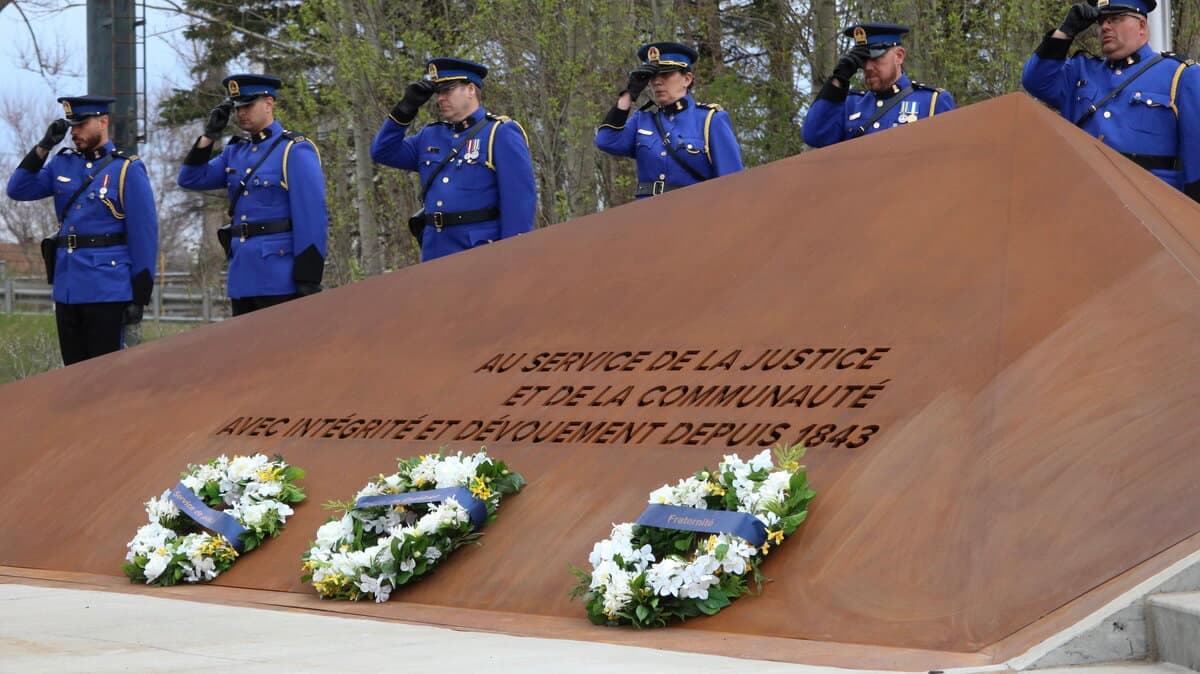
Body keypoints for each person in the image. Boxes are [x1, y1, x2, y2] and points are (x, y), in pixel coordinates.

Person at [6, 95, 157, 365]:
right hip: (68, 285)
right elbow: (18, 189)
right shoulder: (62, 164)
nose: (74, 131)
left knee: (105, 375)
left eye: (81, 124)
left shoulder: (126, 169)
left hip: (108, 287)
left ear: (103, 121)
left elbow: (144, 235)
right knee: (73, 375)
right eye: (71, 125)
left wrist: (140, 296)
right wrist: (44, 146)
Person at [178, 74, 328, 316]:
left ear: (269, 103)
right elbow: (190, 178)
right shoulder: (235, 152)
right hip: (242, 277)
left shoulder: (294, 149)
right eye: (237, 107)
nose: (241, 113)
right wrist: (209, 136)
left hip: (281, 278)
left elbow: (312, 217)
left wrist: (308, 278)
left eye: (248, 105)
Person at [1022, 0, 1200, 201]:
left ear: (1141, 26)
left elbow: (1197, 155)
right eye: (1102, 21)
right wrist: (1065, 32)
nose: (1105, 26)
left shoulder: (1180, 74)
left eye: (1115, 19)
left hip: (1153, 204)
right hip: (1084, 199)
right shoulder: (1080, 71)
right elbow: (1035, 81)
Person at [370, 57, 536, 262]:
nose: (440, 98)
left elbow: (519, 203)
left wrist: (512, 257)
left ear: (471, 90)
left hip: (480, 253)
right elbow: (382, 151)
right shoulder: (430, 136)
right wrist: (405, 109)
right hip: (435, 251)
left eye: (448, 90)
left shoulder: (499, 133)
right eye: (438, 92)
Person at [595, 41, 743, 198]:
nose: (657, 82)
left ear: (687, 79)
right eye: (652, 76)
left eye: (665, 74)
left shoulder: (710, 120)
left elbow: (733, 182)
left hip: (695, 214)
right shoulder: (643, 120)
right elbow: (605, 141)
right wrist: (629, 94)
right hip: (647, 216)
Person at [802, 23, 955, 147]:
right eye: (862, 60)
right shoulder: (850, 104)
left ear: (899, 56)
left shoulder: (933, 102)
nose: (868, 67)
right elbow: (815, 137)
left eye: (875, 59)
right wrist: (838, 80)